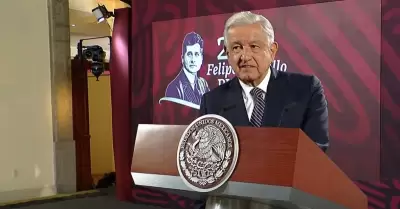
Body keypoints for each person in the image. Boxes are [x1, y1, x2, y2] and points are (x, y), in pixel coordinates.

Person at [199, 11, 329, 151]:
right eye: (236, 48)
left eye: (254, 46)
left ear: (272, 51)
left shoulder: (306, 89)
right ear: (227, 53)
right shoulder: (211, 102)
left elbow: (317, 150)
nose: (245, 56)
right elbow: (205, 157)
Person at [164, 32, 210, 108]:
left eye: (196, 54)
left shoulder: (203, 84)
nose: (193, 60)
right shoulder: (174, 88)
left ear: (201, 58)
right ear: (182, 59)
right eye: (189, 54)